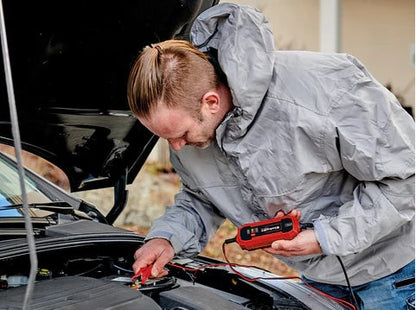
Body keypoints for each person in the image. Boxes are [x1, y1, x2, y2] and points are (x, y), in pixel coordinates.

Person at [127, 3, 415, 309]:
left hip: (398, 274)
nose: (176, 148)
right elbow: (200, 199)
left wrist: (324, 237)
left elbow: (405, 180)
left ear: (210, 102)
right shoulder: (195, 140)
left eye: (180, 134)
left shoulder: (325, 90)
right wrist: (166, 239)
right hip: (319, 283)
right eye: (166, 138)